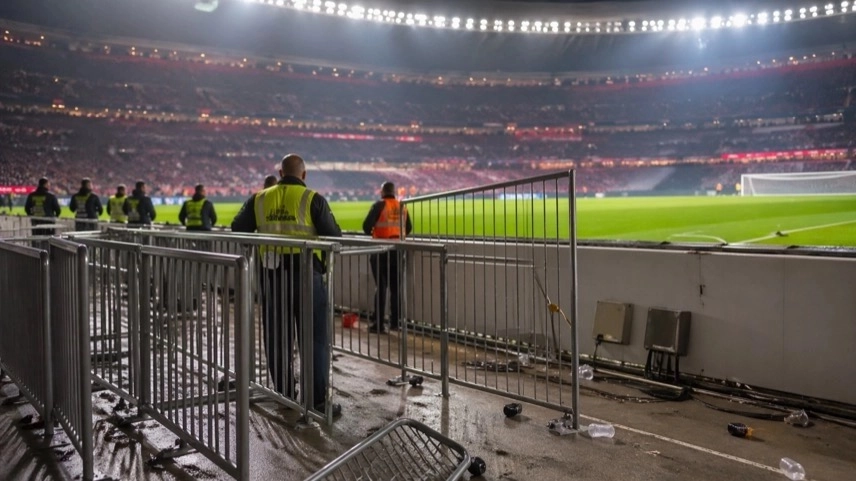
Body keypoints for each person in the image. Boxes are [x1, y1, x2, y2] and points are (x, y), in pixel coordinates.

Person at [231, 154, 342, 416]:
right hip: (307, 275)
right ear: (304, 175)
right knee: (314, 338)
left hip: (273, 276)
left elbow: (238, 227)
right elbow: (334, 235)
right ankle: (316, 401)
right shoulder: (312, 199)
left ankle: (284, 395)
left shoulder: (259, 198)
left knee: (277, 337)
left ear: (280, 173)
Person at [362, 181, 412, 333]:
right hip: (397, 249)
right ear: (394, 192)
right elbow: (408, 228)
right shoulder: (402, 206)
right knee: (396, 288)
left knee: (381, 287)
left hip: (380, 250)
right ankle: (395, 323)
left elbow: (366, 226)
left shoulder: (379, 205)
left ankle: (378, 324)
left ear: (382, 192)